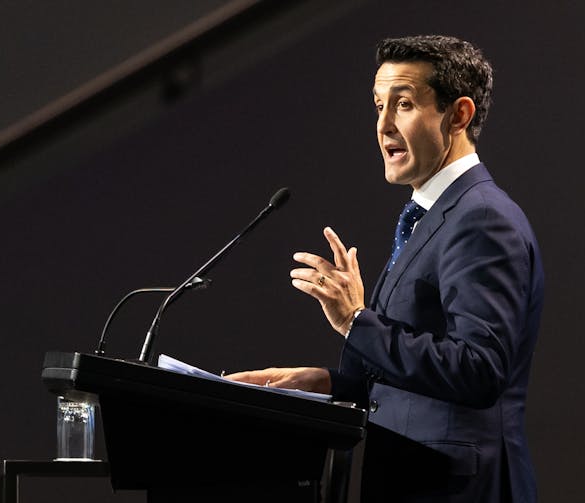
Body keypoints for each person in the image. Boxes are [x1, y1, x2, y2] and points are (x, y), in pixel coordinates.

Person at [227, 35, 544, 502]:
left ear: (459, 115)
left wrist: (357, 322)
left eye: (404, 105)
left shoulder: (481, 218)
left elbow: (478, 369)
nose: (384, 125)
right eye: (378, 106)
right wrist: (330, 384)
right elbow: (417, 378)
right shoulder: (434, 216)